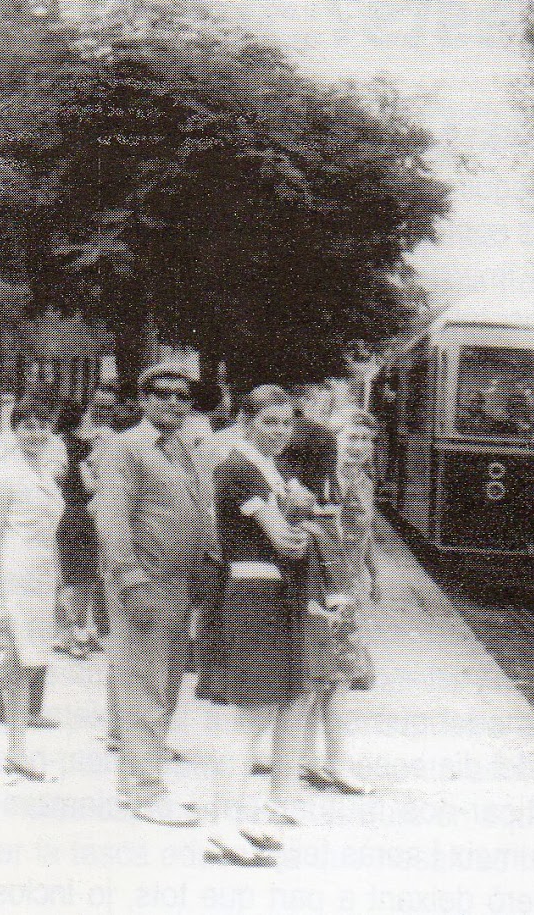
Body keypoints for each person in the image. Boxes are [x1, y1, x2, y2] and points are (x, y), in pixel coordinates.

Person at [92, 362, 219, 825]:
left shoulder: (185, 449)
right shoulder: (122, 448)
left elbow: (201, 511)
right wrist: (130, 577)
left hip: (180, 582)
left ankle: (139, 782)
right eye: (162, 395)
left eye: (182, 397)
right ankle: (146, 791)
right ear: (143, 400)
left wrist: (208, 562)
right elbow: (110, 517)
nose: (173, 403)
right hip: (144, 581)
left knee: (166, 683)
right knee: (143, 683)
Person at [195, 385, 316, 866]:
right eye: (270, 423)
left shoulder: (270, 470)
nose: (281, 433)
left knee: (261, 710)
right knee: (243, 712)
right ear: (245, 422)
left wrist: (298, 527)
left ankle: (237, 815)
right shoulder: (238, 469)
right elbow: (287, 540)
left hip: (271, 597)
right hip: (250, 595)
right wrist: (302, 528)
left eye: (287, 424)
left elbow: (294, 530)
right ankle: (221, 826)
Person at [0, 398, 64, 782]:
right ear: (14, 430)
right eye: (26, 426)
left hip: (39, 581)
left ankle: (18, 751)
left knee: (26, 667)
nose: (36, 433)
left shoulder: (44, 471)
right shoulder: (4, 476)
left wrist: (56, 584)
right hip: (10, 580)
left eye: (42, 425)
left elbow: (49, 533)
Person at [296, 408, 381, 796]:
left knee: (329, 678)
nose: (360, 447)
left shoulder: (360, 480)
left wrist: (370, 574)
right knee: (334, 676)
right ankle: (333, 762)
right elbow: (327, 534)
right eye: (352, 438)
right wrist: (338, 588)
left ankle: (312, 758)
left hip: (349, 583)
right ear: (336, 439)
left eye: (366, 440)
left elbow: (361, 535)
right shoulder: (331, 481)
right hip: (332, 587)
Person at [55, 399, 110, 659]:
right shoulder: (76, 449)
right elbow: (90, 486)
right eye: (88, 414)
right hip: (79, 514)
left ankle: (78, 629)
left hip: (75, 514)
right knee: (79, 577)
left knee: (81, 576)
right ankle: (71, 632)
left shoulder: (68, 445)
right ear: (79, 419)